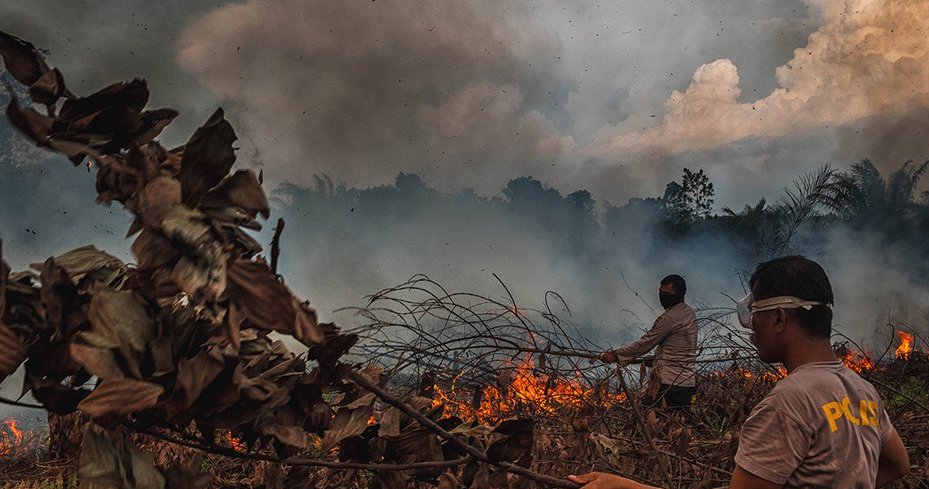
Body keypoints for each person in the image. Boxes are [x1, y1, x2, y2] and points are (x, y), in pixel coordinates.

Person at [571, 256, 910, 489]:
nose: (751, 329)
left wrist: (624, 486)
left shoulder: (786, 405)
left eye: (754, 315)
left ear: (778, 318)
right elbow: (897, 465)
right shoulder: (862, 390)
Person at [600, 274, 697, 410]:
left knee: (646, 415)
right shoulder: (690, 313)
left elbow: (644, 344)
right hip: (687, 383)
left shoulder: (669, 318)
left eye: (666, 294)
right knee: (680, 419)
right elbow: (680, 347)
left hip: (669, 384)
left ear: (679, 294)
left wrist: (615, 354)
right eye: (660, 292)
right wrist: (657, 359)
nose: (662, 297)